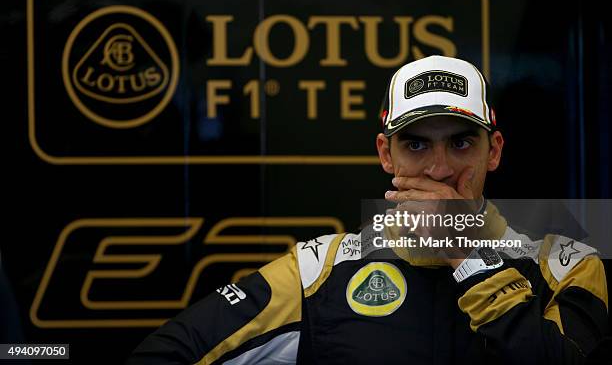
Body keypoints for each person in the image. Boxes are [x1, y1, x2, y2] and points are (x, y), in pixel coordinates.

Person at [127, 56, 610, 364]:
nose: (440, 169)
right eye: (416, 144)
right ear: (386, 154)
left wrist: (467, 254)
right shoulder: (319, 270)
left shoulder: (565, 263)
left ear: (495, 151)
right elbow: (166, 353)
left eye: (462, 142)